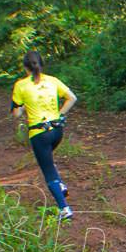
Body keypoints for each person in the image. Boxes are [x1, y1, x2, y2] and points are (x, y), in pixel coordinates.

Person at [11, 51, 77, 221]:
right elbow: (72, 98)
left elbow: (16, 113)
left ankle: (64, 209)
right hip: (57, 131)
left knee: (48, 171)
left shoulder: (21, 85)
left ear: (25, 67)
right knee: (49, 160)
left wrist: (25, 106)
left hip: (39, 133)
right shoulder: (53, 80)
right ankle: (60, 185)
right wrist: (60, 115)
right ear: (41, 64)